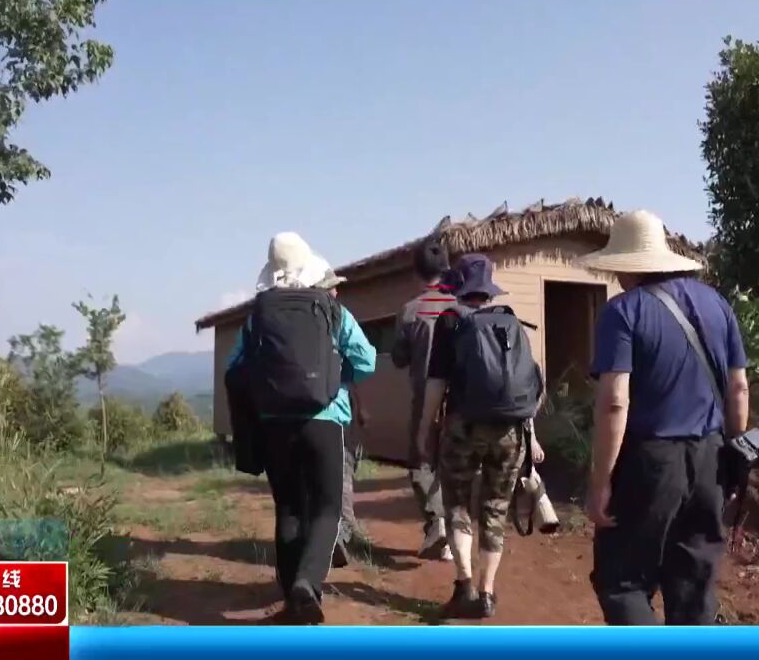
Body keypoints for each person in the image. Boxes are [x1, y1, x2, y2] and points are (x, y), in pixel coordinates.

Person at [576, 210, 749, 626]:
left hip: (649, 461)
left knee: (624, 581)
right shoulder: (717, 304)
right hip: (710, 457)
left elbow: (615, 402)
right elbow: (739, 388)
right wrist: (734, 459)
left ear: (626, 267)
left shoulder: (623, 312)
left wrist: (600, 483)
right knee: (692, 582)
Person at [226, 232, 376, 624]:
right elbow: (367, 360)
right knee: (327, 509)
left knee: (289, 509)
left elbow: (234, 368)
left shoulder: (258, 315)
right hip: (324, 421)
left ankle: (293, 597)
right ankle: (306, 586)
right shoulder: (331, 310)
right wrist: (337, 379)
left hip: (275, 424)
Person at [420, 253, 546, 620]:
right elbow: (527, 387)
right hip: (511, 430)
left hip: (463, 427)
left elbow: (435, 384)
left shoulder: (449, 322)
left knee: (457, 503)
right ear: (489, 289)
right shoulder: (510, 322)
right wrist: (531, 436)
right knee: (494, 508)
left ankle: (465, 586)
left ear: (459, 286)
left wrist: (426, 428)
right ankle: (488, 593)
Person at [390, 241, 457, 560]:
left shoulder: (410, 311)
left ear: (416, 272)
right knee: (455, 465)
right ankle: (458, 536)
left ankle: (436, 523)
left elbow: (400, 358)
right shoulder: (460, 305)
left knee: (420, 462)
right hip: (459, 400)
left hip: (424, 396)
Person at [318, 273, 372, 568]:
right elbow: (361, 367)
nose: (338, 289)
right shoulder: (340, 319)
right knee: (342, 475)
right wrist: (361, 409)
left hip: (301, 415)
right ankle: (340, 535)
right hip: (338, 412)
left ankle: (319, 536)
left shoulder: (303, 322)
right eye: (334, 285)